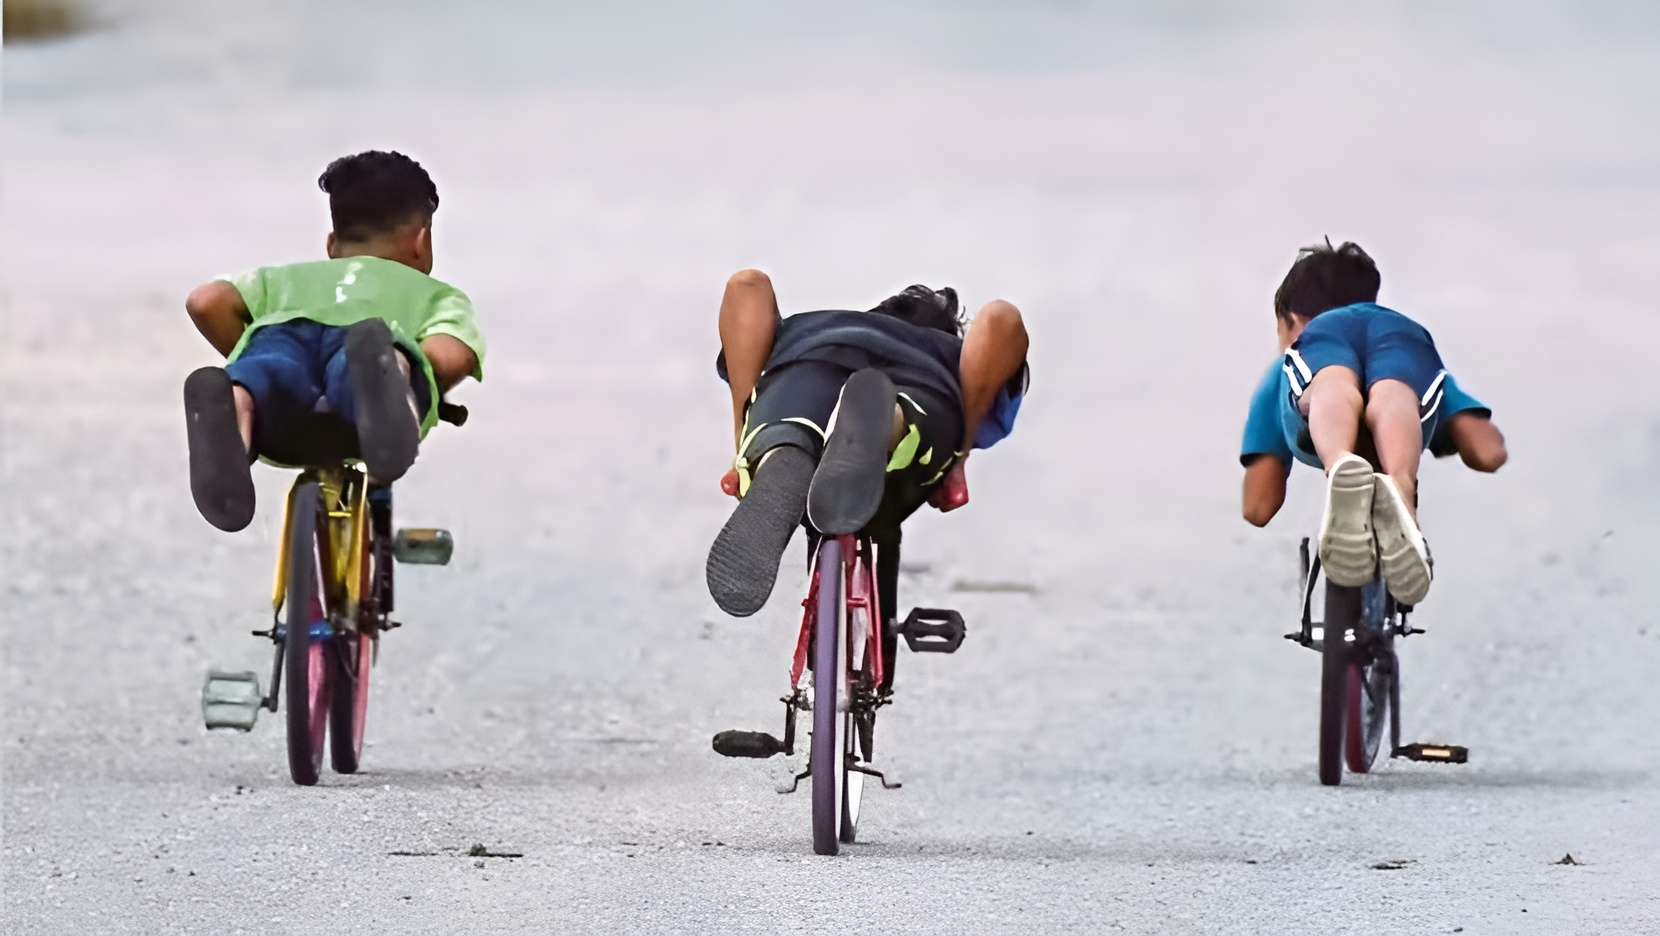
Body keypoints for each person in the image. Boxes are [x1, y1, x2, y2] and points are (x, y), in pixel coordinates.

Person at [180, 150, 485, 532]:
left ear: (331, 245)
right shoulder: (432, 294)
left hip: (284, 336)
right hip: (365, 346)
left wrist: (247, 354)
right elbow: (448, 355)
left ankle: (241, 404)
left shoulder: (286, 280)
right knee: (377, 362)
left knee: (269, 368)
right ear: (421, 241)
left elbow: (205, 301)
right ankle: (388, 376)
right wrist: (426, 382)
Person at [705, 269, 1030, 625]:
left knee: (787, 422)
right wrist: (958, 458)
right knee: (906, 423)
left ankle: (777, 449)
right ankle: (887, 424)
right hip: (925, 380)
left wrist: (740, 447)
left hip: (807, 363)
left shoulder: (808, 329)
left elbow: (746, 285)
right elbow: (1002, 318)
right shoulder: (954, 358)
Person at [1240, 240, 1507, 605]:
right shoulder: (1393, 328)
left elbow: (1259, 505)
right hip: (1404, 340)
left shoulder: (1290, 361)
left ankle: (1340, 467)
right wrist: (1450, 439)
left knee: (1330, 383)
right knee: (1394, 392)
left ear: (1294, 322)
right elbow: (1486, 449)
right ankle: (1399, 491)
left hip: (1328, 378)